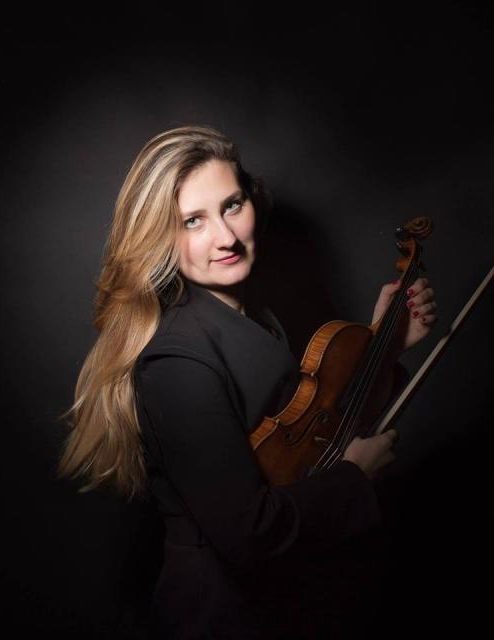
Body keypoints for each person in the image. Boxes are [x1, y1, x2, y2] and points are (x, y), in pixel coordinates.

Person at [57, 124, 437, 639]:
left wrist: (385, 344)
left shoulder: (253, 316)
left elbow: (311, 439)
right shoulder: (177, 361)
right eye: (193, 220)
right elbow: (249, 533)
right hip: (224, 618)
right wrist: (353, 479)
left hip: (290, 602)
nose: (226, 237)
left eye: (232, 205)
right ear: (160, 237)